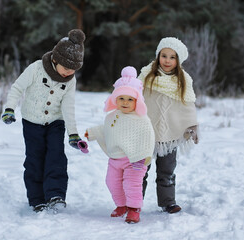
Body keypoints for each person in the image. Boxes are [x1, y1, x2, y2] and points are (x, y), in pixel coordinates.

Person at [1, 29, 88, 213]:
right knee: (35, 159)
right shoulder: (36, 68)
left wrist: (73, 134)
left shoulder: (70, 81)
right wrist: (9, 108)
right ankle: (37, 198)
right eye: (66, 68)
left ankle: (56, 195)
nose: (69, 72)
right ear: (56, 59)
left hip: (56, 123)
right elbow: (17, 88)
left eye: (73, 69)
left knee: (56, 157)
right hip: (32, 122)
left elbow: (68, 107)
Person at [85, 66, 155, 223]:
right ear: (114, 99)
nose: (125, 102)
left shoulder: (141, 119)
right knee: (112, 183)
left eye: (130, 99)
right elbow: (107, 130)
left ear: (137, 101)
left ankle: (134, 209)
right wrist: (93, 133)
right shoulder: (112, 116)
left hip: (134, 160)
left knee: (132, 185)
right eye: (121, 98)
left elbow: (147, 137)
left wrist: (142, 157)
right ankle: (121, 205)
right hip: (115, 159)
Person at [138, 37, 199, 214]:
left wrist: (192, 126)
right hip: (145, 131)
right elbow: (133, 96)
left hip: (170, 134)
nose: (167, 60)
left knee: (167, 170)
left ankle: (168, 202)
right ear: (158, 56)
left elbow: (188, 105)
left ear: (178, 60)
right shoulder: (146, 74)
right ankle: (134, 201)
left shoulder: (183, 81)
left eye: (172, 57)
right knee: (140, 170)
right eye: (164, 55)